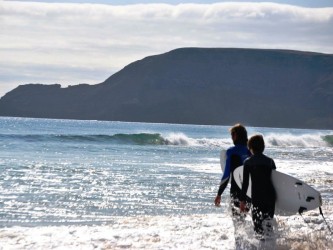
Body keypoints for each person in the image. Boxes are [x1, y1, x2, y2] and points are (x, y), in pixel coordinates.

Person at [239, 134, 276, 239]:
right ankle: (271, 246)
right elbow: (275, 180)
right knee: (268, 226)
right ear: (263, 147)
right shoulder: (270, 161)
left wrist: (242, 201)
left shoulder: (248, 162)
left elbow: (245, 184)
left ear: (250, 148)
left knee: (258, 228)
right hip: (270, 197)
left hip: (257, 197)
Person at [214, 124, 251, 229]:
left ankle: (240, 244)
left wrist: (219, 194)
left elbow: (226, 175)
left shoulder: (231, 152)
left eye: (232, 135)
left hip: (236, 192)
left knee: (237, 224)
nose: (231, 137)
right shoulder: (250, 152)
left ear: (236, 136)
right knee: (244, 220)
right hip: (249, 193)